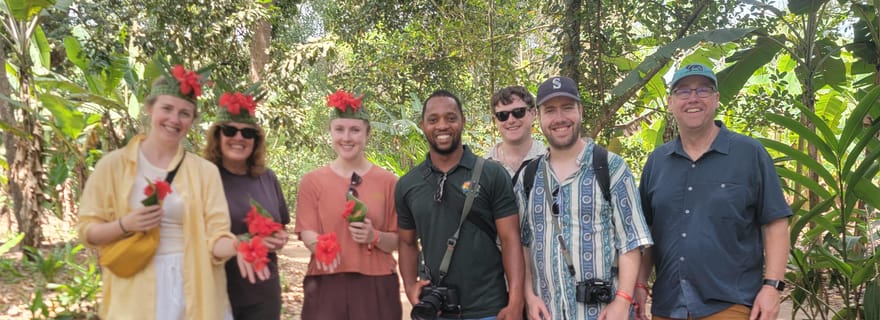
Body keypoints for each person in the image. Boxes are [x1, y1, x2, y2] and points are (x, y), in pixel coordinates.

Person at [77, 64, 239, 319]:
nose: (174, 119)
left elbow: (216, 236)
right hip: (134, 287)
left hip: (195, 287)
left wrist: (243, 246)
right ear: (150, 109)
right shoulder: (112, 165)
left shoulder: (205, 172)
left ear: (192, 120)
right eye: (167, 108)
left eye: (185, 113)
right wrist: (124, 224)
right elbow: (88, 231)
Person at [635, 63, 791, 320]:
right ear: (671, 102)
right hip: (668, 305)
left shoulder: (749, 153)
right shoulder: (657, 162)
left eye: (703, 90)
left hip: (730, 304)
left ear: (717, 99)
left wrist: (772, 286)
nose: (693, 98)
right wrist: (639, 285)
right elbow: (647, 231)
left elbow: (775, 222)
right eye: (683, 91)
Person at [516, 76, 653, 320]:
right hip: (548, 312)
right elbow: (524, 244)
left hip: (604, 313)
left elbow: (631, 240)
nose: (560, 118)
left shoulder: (611, 167)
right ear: (538, 117)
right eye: (550, 110)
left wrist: (623, 300)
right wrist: (529, 295)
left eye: (567, 108)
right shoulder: (529, 176)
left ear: (580, 110)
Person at [396, 89, 525, 320]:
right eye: (433, 120)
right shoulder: (408, 184)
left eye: (451, 118)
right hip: (436, 310)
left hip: (489, 309)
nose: (442, 126)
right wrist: (409, 284)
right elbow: (406, 243)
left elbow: (510, 239)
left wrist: (515, 300)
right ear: (423, 125)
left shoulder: (492, 175)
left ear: (462, 121)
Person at [294, 89, 402, 319]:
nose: (347, 137)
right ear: (330, 132)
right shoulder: (313, 181)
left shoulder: (389, 182)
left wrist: (374, 236)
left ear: (367, 134)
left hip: (376, 283)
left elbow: (399, 239)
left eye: (355, 130)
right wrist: (321, 248)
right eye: (340, 129)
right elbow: (307, 231)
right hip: (326, 280)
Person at [203, 88, 291, 319]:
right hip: (216, 294)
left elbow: (280, 227)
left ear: (256, 140)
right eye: (230, 130)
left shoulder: (267, 178)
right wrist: (244, 242)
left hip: (262, 293)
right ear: (218, 136)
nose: (239, 138)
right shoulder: (204, 178)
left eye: (248, 133)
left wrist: (278, 239)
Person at [486, 86, 545, 176]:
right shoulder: (483, 167)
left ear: (533, 114)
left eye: (518, 112)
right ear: (495, 121)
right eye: (502, 115)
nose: (511, 120)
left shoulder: (551, 160)